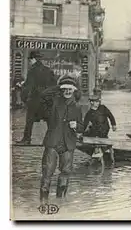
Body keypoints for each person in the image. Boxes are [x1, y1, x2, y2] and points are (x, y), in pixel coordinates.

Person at [39, 74, 84, 202]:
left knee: (65, 172)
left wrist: (77, 126)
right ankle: (43, 203)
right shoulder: (53, 103)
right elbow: (43, 95)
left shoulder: (77, 107)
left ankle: (60, 203)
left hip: (68, 144)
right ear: (61, 90)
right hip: (52, 142)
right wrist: (59, 86)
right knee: (47, 172)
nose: (68, 91)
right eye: (65, 89)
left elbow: (82, 127)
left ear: (74, 90)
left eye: (70, 89)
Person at [17, 51, 57, 145]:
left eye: (30, 60)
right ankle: (53, 139)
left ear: (33, 59)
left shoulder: (32, 70)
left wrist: (24, 96)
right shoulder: (48, 70)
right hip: (47, 100)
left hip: (35, 99)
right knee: (49, 121)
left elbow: (28, 86)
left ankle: (27, 139)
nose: (30, 62)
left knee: (29, 120)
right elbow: (53, 85)